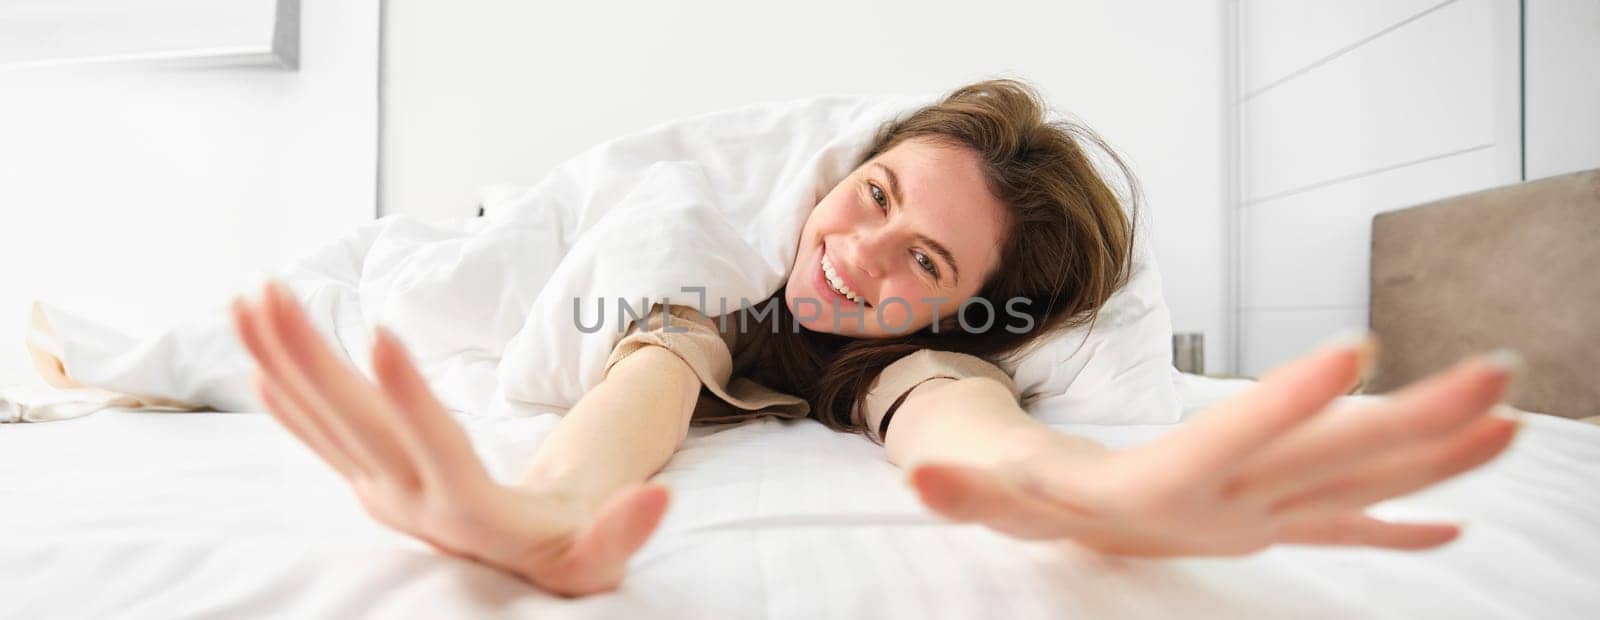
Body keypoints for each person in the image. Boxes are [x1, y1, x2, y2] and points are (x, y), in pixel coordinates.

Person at [225, 80, 1522, 597]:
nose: (856, 254)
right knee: (671, 335)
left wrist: (1096, 490)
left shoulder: (925, 355)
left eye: (926, 264)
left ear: (965, 300)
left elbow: (959, 419)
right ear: (853, 163)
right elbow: (643, 337)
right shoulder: (719, 225)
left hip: (901, 366)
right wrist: (550, 507)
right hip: (642, 308)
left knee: (919, 374)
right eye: (878, 197)